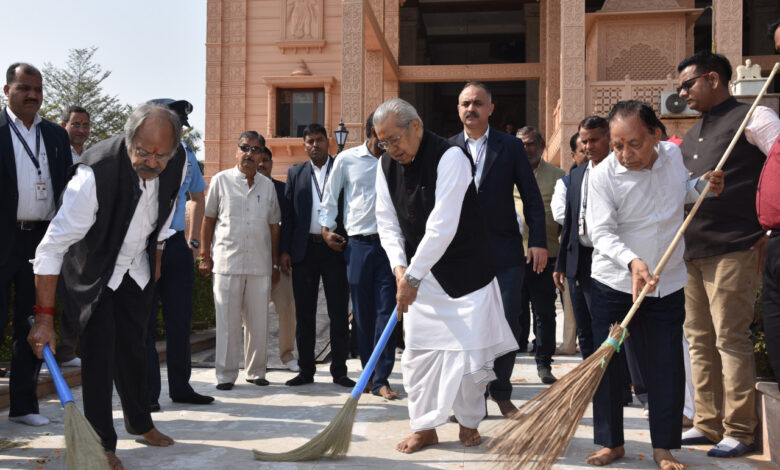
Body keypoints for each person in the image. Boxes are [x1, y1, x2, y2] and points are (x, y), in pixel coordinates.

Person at [29, 103, 186, 470]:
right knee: (99, 357)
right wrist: (44, 318)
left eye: (161, 155)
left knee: (135, 347)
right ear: (128, 141)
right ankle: (102, 442)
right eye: (143, 152)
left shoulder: (176, 165)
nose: (152, 162)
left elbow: (162, 218)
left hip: (137, 268)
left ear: (173, 151)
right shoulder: (93, 175)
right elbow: (50, 248)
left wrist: (157, 258)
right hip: (93, 271)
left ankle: (140, 421)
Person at [373, 97, 518, 453]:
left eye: (395, 139)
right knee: (418, 357)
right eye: (383, 142)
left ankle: (469, 422)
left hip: (466, 275)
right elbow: (387, 221)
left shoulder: (451, 157)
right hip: (420, 279)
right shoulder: (384, 166)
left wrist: (412, 277)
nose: (391, 149)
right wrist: (399, 268)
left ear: (416, 126)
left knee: (470, 358)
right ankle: (424, 427)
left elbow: (442, 225)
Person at [585, 99, 723, 470]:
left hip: (667, 282)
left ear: (656, 135)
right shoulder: (601, 176)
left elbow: (681, 195)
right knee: (608, 366)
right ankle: (611, 443)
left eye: (634, 143)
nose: (624, 153)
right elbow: (600, 232)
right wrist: (633, 261)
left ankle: (664, 446)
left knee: (665, 364)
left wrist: (701, 186)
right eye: (617, 144)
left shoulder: (672, 158)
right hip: (615, 283)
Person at [676, 50, 780, 458]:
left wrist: (769, 227)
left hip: (735, 245)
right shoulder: (692, 133)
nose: (682, 92)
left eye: (688, 84)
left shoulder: (755, 118)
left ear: (713, 79)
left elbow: (778, 167)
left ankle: (740, 428)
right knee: (698, 340)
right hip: (692, 248)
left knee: (730, 338)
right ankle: (707, 422)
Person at [448, 82, 547, 416]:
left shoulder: (510, 147)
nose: (470, 109)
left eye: (477, 103)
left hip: (504, 253)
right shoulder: (447, 150)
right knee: (464, 326)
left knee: (507, 322)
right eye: (465, 103)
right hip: (461, 256)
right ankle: (466, 399)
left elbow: (531, 196)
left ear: (490, 108)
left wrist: (537, 241)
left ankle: (501, 392)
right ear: (458, 109)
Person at [1, 63, 71, 426]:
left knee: (33, 321)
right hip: (3, 238)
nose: (32, 95)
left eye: (38, 89)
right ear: (6, 89)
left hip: (41, 241)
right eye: (24, 87)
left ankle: (24, 406)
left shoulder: (56, 136)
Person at [319, 113, 398, 399]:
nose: (388, 142)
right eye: (383, 136)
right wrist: (326, 230)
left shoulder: (397, 160)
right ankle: (367, 375)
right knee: (363, 315)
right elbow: (329, 197)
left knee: (387, 312)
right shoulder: (347, 160)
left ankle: (382, 378)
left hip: (391, 247)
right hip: (359, 247)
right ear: (370, 133)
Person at [145, 98, 213, 410]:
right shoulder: (143, 154)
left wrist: (193, 241)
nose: (177, 131)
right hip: (143, 245)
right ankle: (147, 393)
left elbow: (198, 195)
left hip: (176, 246)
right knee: (145, 321)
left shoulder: (185, 153)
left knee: (179, 320)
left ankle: (181, 387)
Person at [199, 131, 280, 389]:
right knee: (227, 322)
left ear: (262, 157)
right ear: (237, 151)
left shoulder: (268, 186)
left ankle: (256, 372)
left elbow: (274, 226)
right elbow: (208, 219)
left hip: (259, 264)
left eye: (255, 150)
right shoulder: (221, 180)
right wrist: (204, 255)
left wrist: (275, 262)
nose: (249, 153)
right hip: (227, 262)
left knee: (258, 322)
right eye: (244, 148)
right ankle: (225, 375)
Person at [280, 123, 354, 388]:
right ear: (304, 145)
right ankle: (306, 371)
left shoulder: (342, 169)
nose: (315, 145)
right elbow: (288, 215)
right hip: (304, 251)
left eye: (319, 140)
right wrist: (285, 250)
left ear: (328, 142)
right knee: (306, 314)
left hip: (335, 249)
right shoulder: (296, 173)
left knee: (337, 312)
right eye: (309, 141)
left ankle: (340, 371)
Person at [553, 115, 612, 360]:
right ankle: (592, 382)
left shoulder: (617, 170)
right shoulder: (576, 176)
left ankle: (618, 386)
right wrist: (561, 265)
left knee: (605, 325)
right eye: (584, 142)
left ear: (609, 138)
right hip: (579, 261)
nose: (588, 147)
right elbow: (568, 223)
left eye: (594, 140)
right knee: (584, 327)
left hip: (609, 259)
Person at [514, 126, 565, 384]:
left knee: (545, 311)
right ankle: (507, 364)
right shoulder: (506, 174)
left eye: (531, 144)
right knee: (513, 310)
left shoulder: (558, 176)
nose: (526, 149)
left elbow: (565, 218)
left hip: (547, 257)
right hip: (513, 257)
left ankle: (544, 362)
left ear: (542, 146)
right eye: (521, 144)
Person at [52, 105, 91, 369]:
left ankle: (66, 351)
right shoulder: (54, 152)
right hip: (50, 228)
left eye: (85, 125)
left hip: (77, 234)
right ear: (64, 125)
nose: (81, 130)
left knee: (72, 291)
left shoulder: (90, 156)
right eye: (75, 124)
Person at [257, 146, 299, 372]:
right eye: (259, 160)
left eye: (266, 160)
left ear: (272, 164)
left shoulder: (283, 191)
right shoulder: (246, 190)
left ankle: (287, 355)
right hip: (254, 263)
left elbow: (290, 225)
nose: (262, 164)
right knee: (253, 312)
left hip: (280, 264)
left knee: (286, 308)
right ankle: (256, 359)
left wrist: (285, 253)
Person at [551, 133, 587, 356]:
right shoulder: (566, 182)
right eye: (583, 149)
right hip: (576, 249)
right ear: (573, 154)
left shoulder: (610, 175)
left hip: (607, 253)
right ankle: (570, 343)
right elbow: (560, 213)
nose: (589, 151)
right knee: (574, 305)